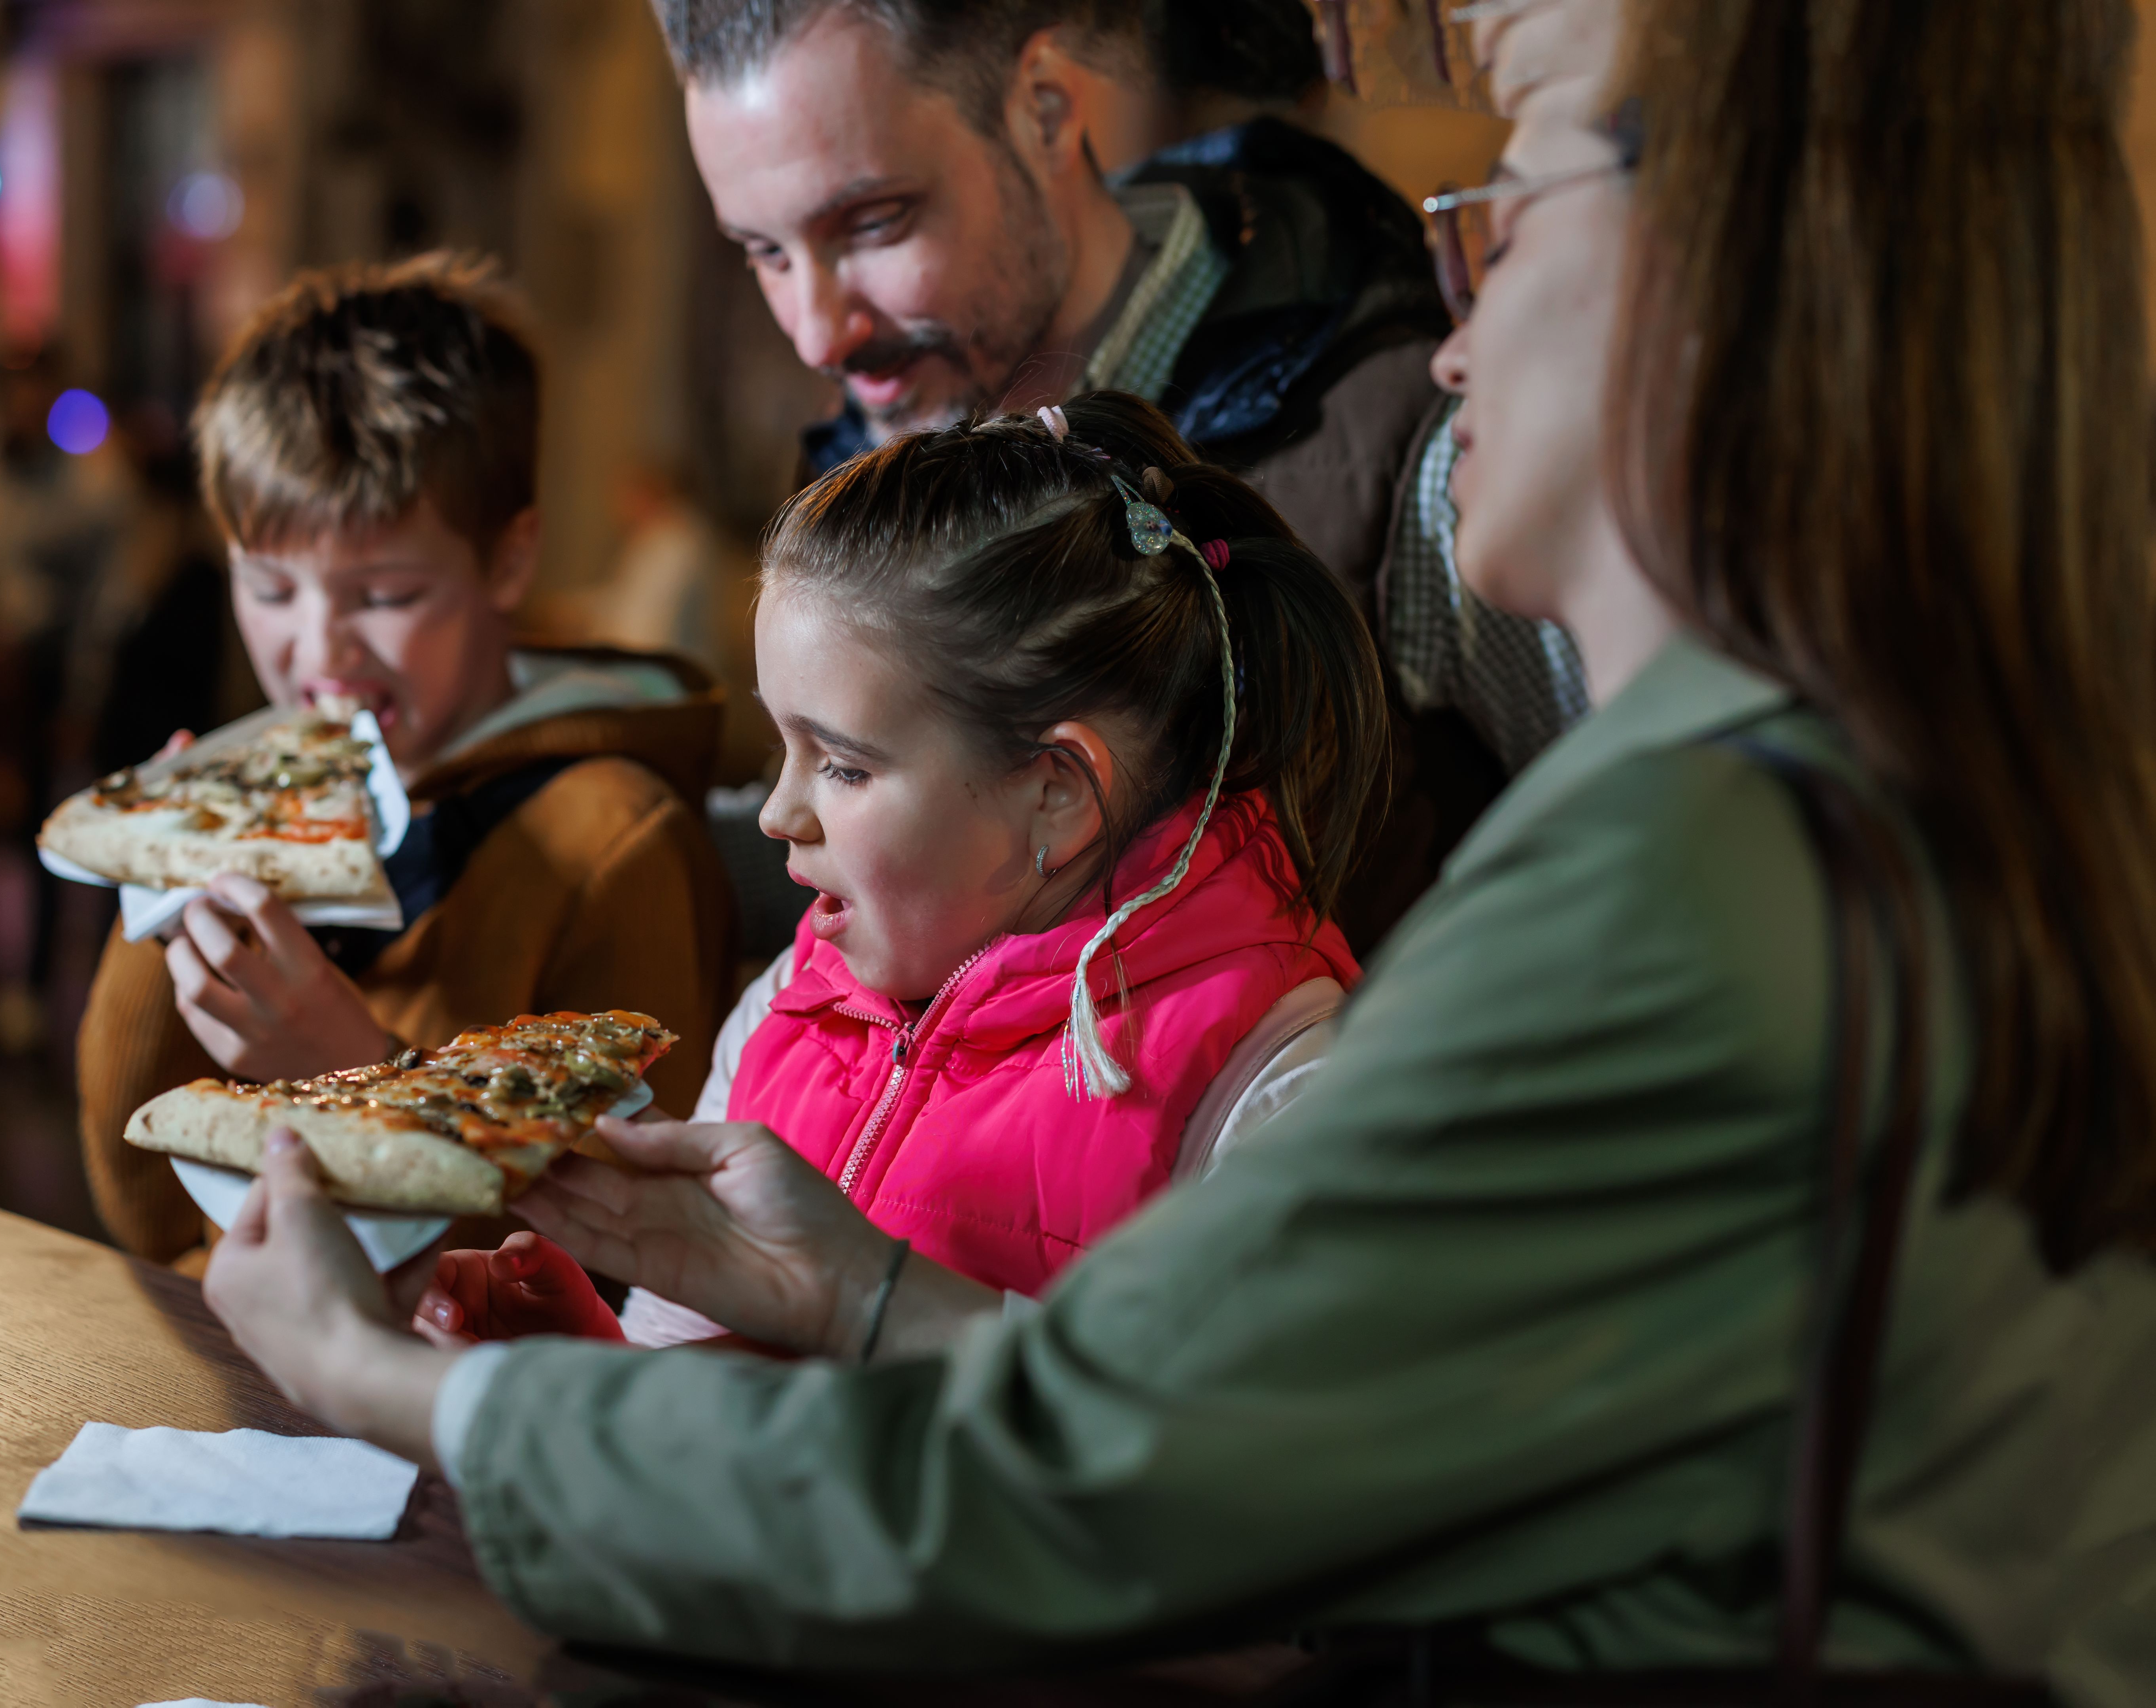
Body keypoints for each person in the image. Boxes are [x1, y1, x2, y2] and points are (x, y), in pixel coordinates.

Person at [206, 0, 2156, 1695]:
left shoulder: (1686, 864)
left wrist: (424, 1396)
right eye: (754, 252)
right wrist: (820, 1282)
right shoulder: (1855, 821)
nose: (1464, 319)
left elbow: (1077, 1492)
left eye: (1530, 185)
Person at [413, 390, 1385, 1345]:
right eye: (778, 750)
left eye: (840, 764)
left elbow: (1225, 1463)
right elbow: (695, 1368)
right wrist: (589, 1375)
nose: (774, 812)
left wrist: (875, 1309)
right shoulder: (785, 1006)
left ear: (1056, 792)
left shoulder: (1275, 1088)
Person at [653, 0, 1567, 952]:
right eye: (763, 252)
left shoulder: (1405, 446)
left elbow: (1652, 831)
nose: (815, 330)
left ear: (1044, 109)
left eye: (876, 223)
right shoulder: (887, 446)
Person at [77, 253, 738, 1270]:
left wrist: (355, 1073)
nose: (320, 651)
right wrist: (160, 895)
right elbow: (147, 1212)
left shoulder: (613, 843)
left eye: (382, 597)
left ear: (509, 560)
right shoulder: (284, 800)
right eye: (269, 588)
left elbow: (615, 1275)